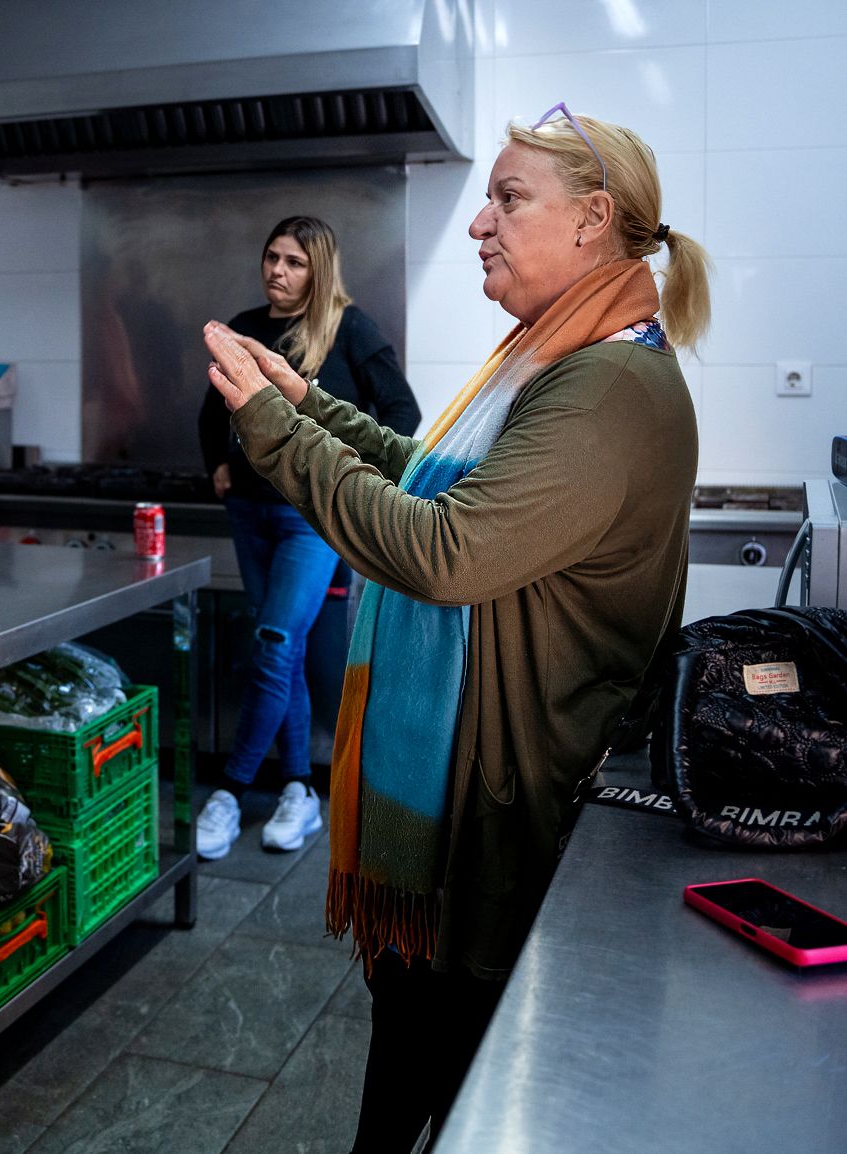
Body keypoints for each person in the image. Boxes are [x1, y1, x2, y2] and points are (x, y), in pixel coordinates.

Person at [203, 106, 707, 1152]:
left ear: (592, 221)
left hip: (500, 816)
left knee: (444, 1087)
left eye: (510, 198)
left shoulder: (608, 383)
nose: (481, 222)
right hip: (467, 802)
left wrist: (277, 433)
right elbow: (428, 473)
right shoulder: (551, 357)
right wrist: (312, 406)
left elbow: (444, 549)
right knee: (407, 1074)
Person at [195, 216, 421, 859]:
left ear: (318, 269)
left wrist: (352, 475)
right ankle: (299, 789)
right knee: (282, 648)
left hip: (310, 518)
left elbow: (401, 412)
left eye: (294, 261)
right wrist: (216, 460)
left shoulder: (351, 329)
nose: (278, 271)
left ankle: (232, 788)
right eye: (271, 257)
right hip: (249, 511)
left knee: (273, 643)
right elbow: (214, 407)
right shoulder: (246, 325)